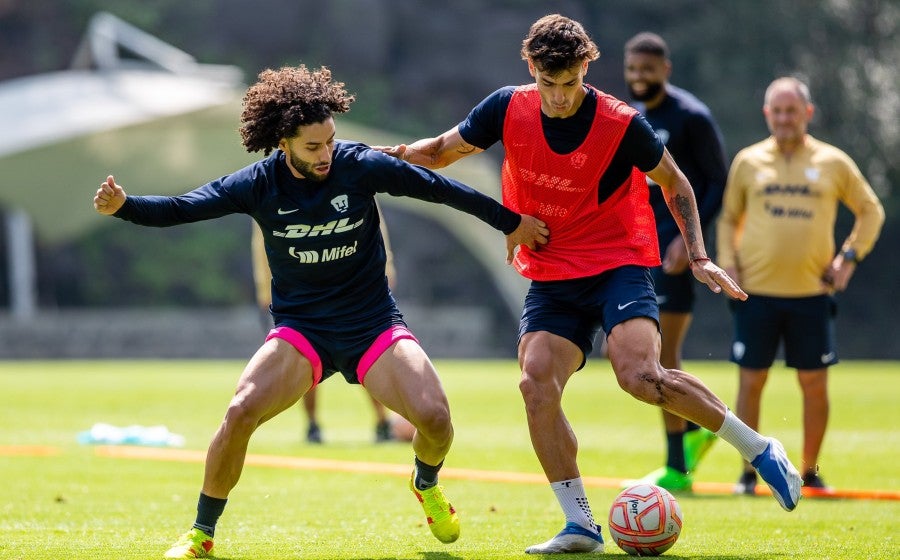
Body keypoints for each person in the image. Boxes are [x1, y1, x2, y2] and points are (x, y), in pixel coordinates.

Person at [377, 14, 802, 554]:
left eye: (570, 84)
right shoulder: (508, 106)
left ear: (587, 67)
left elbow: (677, 184)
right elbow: (440, 151)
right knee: (535, 384)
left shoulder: (623, 123)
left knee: (639, 376)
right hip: (552, 270)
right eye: (547, 84)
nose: (557, 98)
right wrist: (385, 158)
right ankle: (580, 525)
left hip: (617, 261)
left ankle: (760, 449)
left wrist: (697, 254)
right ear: (531, 68)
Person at [93, 64, 549, 558]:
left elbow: (442, 190)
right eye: (313, 147)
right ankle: (201, 534)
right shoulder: (258, 185)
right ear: (283, 142)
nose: (326, 154)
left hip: (372, 325)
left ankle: (425, 482)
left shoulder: (359, 165)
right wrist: (124, 206)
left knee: (437, 421)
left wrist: (509, 222)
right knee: (240, 410)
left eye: (330, 141)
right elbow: (183, 207)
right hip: (303, 330)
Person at [717, 76, 884, 495]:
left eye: (792, 111)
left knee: (814, 384)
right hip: (755, 293)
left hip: (811, 294)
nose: (785, 118)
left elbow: (871, 211)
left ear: (807, 113)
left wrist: (848, 258)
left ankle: (809, 473)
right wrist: (727, 264)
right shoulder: (748, 161)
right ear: (767, 114)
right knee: (751, 380)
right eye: (778, 111)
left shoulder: (833, 161)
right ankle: (748, 474)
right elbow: (727, 219)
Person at [621, 32, 728, 492]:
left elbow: (716, 182)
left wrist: (691, 240)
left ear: (665, 70)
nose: (639, 77)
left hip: (675, 254)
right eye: (632, 69)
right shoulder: (630, 117)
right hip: (636, 251)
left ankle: (677, 466)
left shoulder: (691, 117)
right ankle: (696, 435)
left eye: (648, 69)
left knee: (661, 355)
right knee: (648, 356)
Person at [251, 218, 415, 444]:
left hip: (350, 286)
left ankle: (381, 421)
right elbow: (263, 239)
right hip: (298, 291)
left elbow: (374, 223)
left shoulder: (350, 183)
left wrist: (385, 267)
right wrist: (264, 287)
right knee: (303, 360)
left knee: (368, 356)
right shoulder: (272, 186)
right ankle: (313, 424)